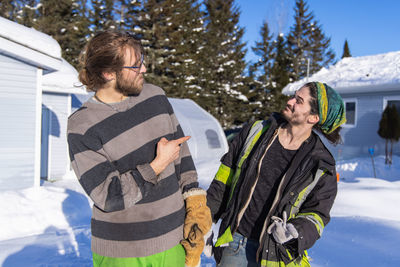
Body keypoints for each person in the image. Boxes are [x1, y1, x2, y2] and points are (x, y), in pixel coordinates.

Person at [67, 31, 211, 267]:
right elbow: (108, 195)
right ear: (108, 73)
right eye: (135, 66)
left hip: (172, 241)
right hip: (122, 252)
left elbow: (181, 152)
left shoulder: (155, 97)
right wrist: (156, 165)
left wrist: (194, 198)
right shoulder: (82, 125)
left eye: (142, 61)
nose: (144, 69)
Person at [206, 82, 346, 266]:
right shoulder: (255, 133)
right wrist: (204, 221)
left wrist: (297, 231)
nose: (290, 101)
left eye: (299, 100)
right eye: (293, 96)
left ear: (313, 117)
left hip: (276, 254)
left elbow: (318, 213)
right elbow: (223, 181)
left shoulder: (320, 164)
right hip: (235, 244)